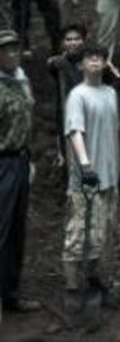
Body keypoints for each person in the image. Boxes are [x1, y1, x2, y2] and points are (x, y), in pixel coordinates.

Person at [62, 43, 120, 307]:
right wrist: (85, 165)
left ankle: (94, 282)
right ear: (81, 64)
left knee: (102, 234)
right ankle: (72, 289)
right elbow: (75, 131)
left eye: (100, 57)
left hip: (109, 176)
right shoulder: (77, 95)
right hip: (86, 178)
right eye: (90, 57)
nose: (96, 61)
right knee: (78, 233)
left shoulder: (110, 93)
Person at [0, 30, 41, 315]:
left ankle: (10, 294)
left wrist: (30, 158)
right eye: (6, 50)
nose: (12, 54)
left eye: (15, 49)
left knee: (16, 231)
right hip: (2, 162)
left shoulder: (22, 81)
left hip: (21, 160)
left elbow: (27, 121)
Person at [47, 24, 87, 169]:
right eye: (69, 39)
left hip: (88, 112)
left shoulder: (90, 60)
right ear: (63, 43)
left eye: (77, 39)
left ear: (83, 40)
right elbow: (51, 66)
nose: (73, 43)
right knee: (69, 151)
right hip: (67, 113)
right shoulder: (59, 62)